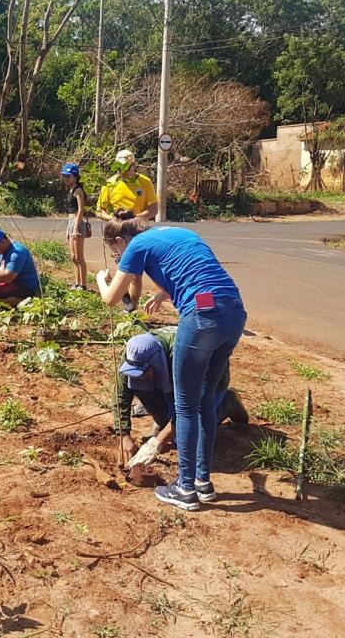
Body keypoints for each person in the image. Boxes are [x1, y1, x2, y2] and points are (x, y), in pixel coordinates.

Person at [96, 210, 247, 511]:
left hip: (202, 317)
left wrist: (102, 278)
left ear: (118, 241)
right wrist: (164, 294)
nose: (117, 257)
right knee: (203, 400)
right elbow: (198, 271)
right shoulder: (179, 233)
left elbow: (111, 299)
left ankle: (185, 488)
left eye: (114, 253)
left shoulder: (136, 246)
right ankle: (202, 484)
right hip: (233, 312)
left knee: (186, 404)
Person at [115, 327, 249, 467]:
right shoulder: (132, 356)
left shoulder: (186, 357)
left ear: (156, 361)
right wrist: (123, 435)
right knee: (142, 387)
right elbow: (121, 395)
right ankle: (165, 418)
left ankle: (227, 402)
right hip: (168, 371)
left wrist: (156, 443)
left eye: (145, 371)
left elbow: (190, 406)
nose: (142, 377)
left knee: (189, 440)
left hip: (208, 381)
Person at [95, 149, 157, 311]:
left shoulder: (144, 182)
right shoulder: (109, 183)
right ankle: (124, 299)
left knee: (136, 275)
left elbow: (154, 209)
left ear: (134, 165)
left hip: (137, 232)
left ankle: (132, 309)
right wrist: (114, 220)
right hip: (118, 233)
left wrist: (135, 219)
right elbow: (98, 210)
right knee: (123, 270)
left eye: (126, 167)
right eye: (119, 167)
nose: (122, 171)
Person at [61, 162, 90, 291]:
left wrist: (76, 227)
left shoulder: (78, 190)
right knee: (73, 256)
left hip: (77, 223)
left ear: (75, 176)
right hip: (70, 222)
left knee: (79, 256)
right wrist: (69, 228)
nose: (66, 179)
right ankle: (76, 282)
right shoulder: (71, 190)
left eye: (68, 176)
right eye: (65, 176)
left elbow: (80, 210)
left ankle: (83, 284)